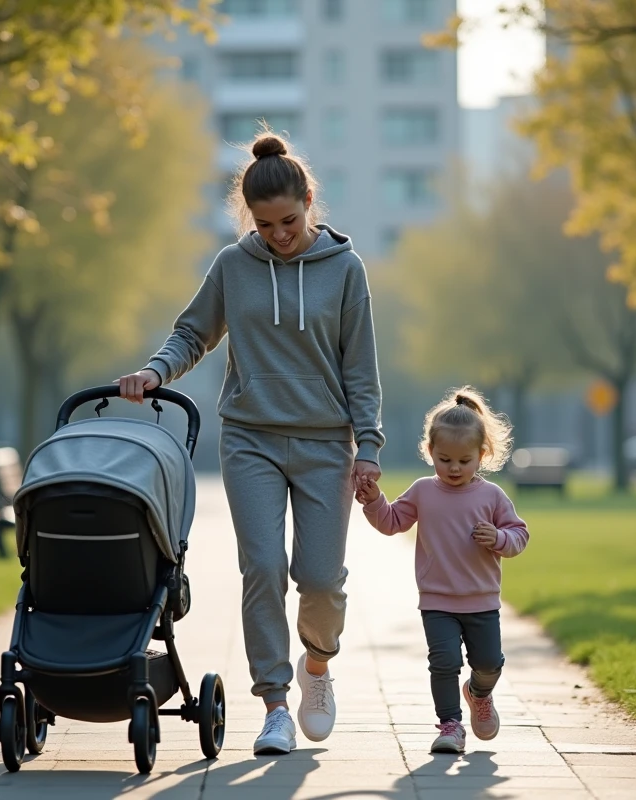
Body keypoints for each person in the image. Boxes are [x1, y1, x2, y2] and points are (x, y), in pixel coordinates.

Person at [117, 130, 383, 756]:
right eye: (265, 226)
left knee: (320, 579)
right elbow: (193, 333)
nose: (280, 235)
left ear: (309, 201)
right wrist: (156, 371)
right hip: (250, 438)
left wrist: (367, 446)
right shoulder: (234, 265)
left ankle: (317, 667)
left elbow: (361, 369)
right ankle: (274, 706)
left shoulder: (345, 270)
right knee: (263, 569)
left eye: (289, 221)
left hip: (325, 443)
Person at [355, 387, 528, 754]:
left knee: (488, 664)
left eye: (464, 461)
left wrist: (497, 537)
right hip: (437, 601)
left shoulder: (492, 497)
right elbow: (392, 522)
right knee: (444, 663)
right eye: (444, 458)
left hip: (482, 601)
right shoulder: (423, 491)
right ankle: (450, 725)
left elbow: (519, 535)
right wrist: (374, 501)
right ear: (430, 451)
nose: (453, 468)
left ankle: (479, 693)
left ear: (482, 455)